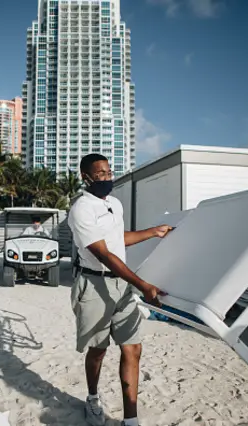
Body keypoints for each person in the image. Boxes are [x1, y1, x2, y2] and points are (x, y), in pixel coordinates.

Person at [68, 153, 173, 426]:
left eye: (108, 172)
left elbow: (117, 240)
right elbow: (103, 254)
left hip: (121, 286)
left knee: (132, 349)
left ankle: (131, 420)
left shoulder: (114, 203)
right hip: (93, 284)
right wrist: (143, 285)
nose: (106, 177)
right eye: (99, 173)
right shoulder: (81, 209)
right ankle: (92, 398)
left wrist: (151, 232)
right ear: (86, 177)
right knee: (98, 350)